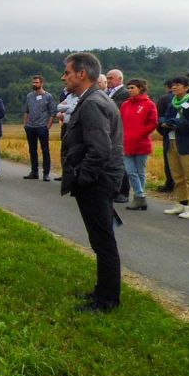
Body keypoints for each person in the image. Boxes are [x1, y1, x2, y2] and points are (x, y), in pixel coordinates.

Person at [60, 52, 124, 312]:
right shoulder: (92, 99)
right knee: (100, 239)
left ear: (82, 74)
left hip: (97, 181)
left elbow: (99, 150)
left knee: (103, 241)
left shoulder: (92, 104)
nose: (64, 77)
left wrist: (82, 178)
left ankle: (107, 301)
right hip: (99, 179)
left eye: (67, 72)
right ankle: (103, 291)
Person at [159, 74, 189, 219]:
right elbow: (163, 118)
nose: (174, 87)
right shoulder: (172, 103)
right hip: (171, 142)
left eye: (178, 84)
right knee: (177, 175)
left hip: (188, 144)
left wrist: (174, 123)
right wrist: (164, 122)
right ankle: (182, 203)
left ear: (187, 87)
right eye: (173, 84)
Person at [120, 78, 158, 211]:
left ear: (140, 88)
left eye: (132, 88)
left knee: (140, 171)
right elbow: (121, 122)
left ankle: (139, 197)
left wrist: (139, 134)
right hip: (126, 142)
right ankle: (140, 195)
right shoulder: (125, 105)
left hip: (141, 142)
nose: (130, 90)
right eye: (128, 88)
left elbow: (152, 123)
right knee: (131, 171)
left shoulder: (149, 104)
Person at [22, 75, 58, 181]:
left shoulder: (48, 96)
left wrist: (48, 126)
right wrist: (25, 124)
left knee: (45, 150)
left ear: (42, 83)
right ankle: (34, 172)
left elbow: (53, 112)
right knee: (32, 150)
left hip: (42, 127)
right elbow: (26, 111)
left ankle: (46, 173)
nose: (34, 84)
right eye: (33, 82)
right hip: (30, 127)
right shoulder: (29, 96)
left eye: (36, 83)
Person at [106, 69, 131, 203]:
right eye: (108, 78)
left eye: (111, 78)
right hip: (109, 131)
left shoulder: (125, 94)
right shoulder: (108, 93)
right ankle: (114, 189)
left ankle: (124, 191)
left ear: (120, 79)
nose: (108, 81)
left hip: (118, 131)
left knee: (120, 162)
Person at [154, 80, 176, 193]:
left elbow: (158, 117)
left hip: (168, 133)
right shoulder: (188, 98)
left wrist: (163, 131)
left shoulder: (164, 99)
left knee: (168, 160)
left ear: (167, 87)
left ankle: (170, 184)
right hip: (183, 135)